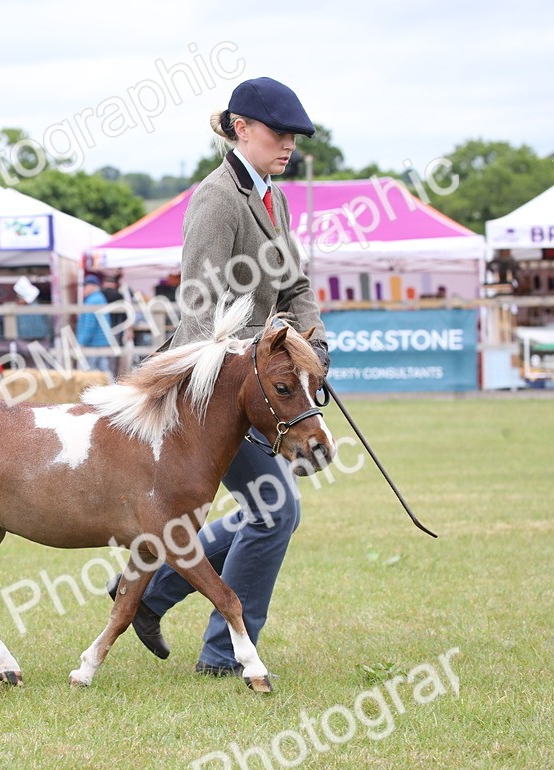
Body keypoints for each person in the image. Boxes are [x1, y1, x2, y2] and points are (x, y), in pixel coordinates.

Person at [110, 76, 331, 677]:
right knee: (274, 511)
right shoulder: (216, 198)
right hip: (216, 389)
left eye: (295, 136)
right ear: (241, 129)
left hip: (261, 379)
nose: (289, 144)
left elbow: (295, 285)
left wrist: (313, 343)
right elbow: (200, 307)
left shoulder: (273, 197)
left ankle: (149, 590)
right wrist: (250, 365)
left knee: (268, 508)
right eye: (278, 133)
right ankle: (221, 655)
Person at [76, 274, 113, 376]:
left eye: (85, 286)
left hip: (93, 343)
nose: (83, 289)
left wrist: (82, 341)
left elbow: (89, 324)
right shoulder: (100, 298)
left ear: (92, 286)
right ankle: (111, 384)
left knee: (90, 371)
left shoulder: (92, 301)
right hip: (101, 341)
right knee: (103, 369)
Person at [12, 276, 50, 341]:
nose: (18, 300)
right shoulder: (22, 309)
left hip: (37, 338)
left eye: (19, 297)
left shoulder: (35, 307)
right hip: (27, 339)